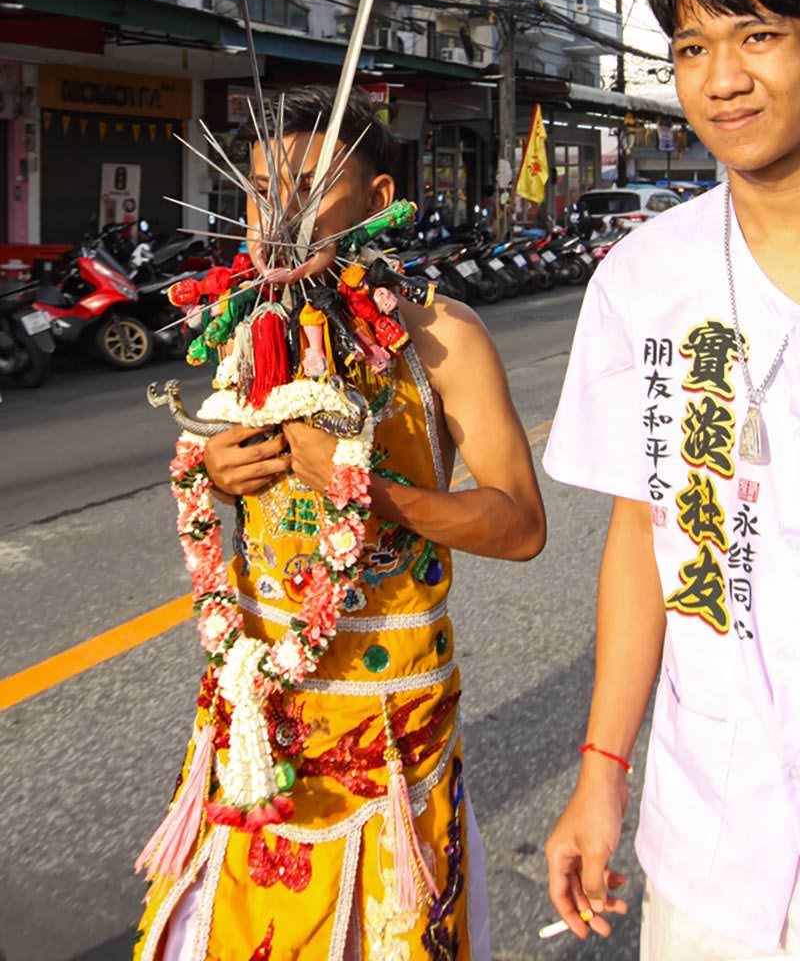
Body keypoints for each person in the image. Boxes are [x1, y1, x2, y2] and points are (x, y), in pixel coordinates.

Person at [133, 86, 545, 961]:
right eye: (257, 189)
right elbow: (238, 494)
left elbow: (519, 525)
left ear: (380, 202)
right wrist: (219, 470)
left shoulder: (442, 337)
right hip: (253, 720)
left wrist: (375, 492)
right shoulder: (246, 330)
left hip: (386, 728)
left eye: (309, 186)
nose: (276, 214)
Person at [542, 0, 800, 960]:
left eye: (758, 34)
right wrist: (601, 770)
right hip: (715, 835)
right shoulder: (642, 280)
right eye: (689, 48)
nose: (723, 80)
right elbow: (644, 537)